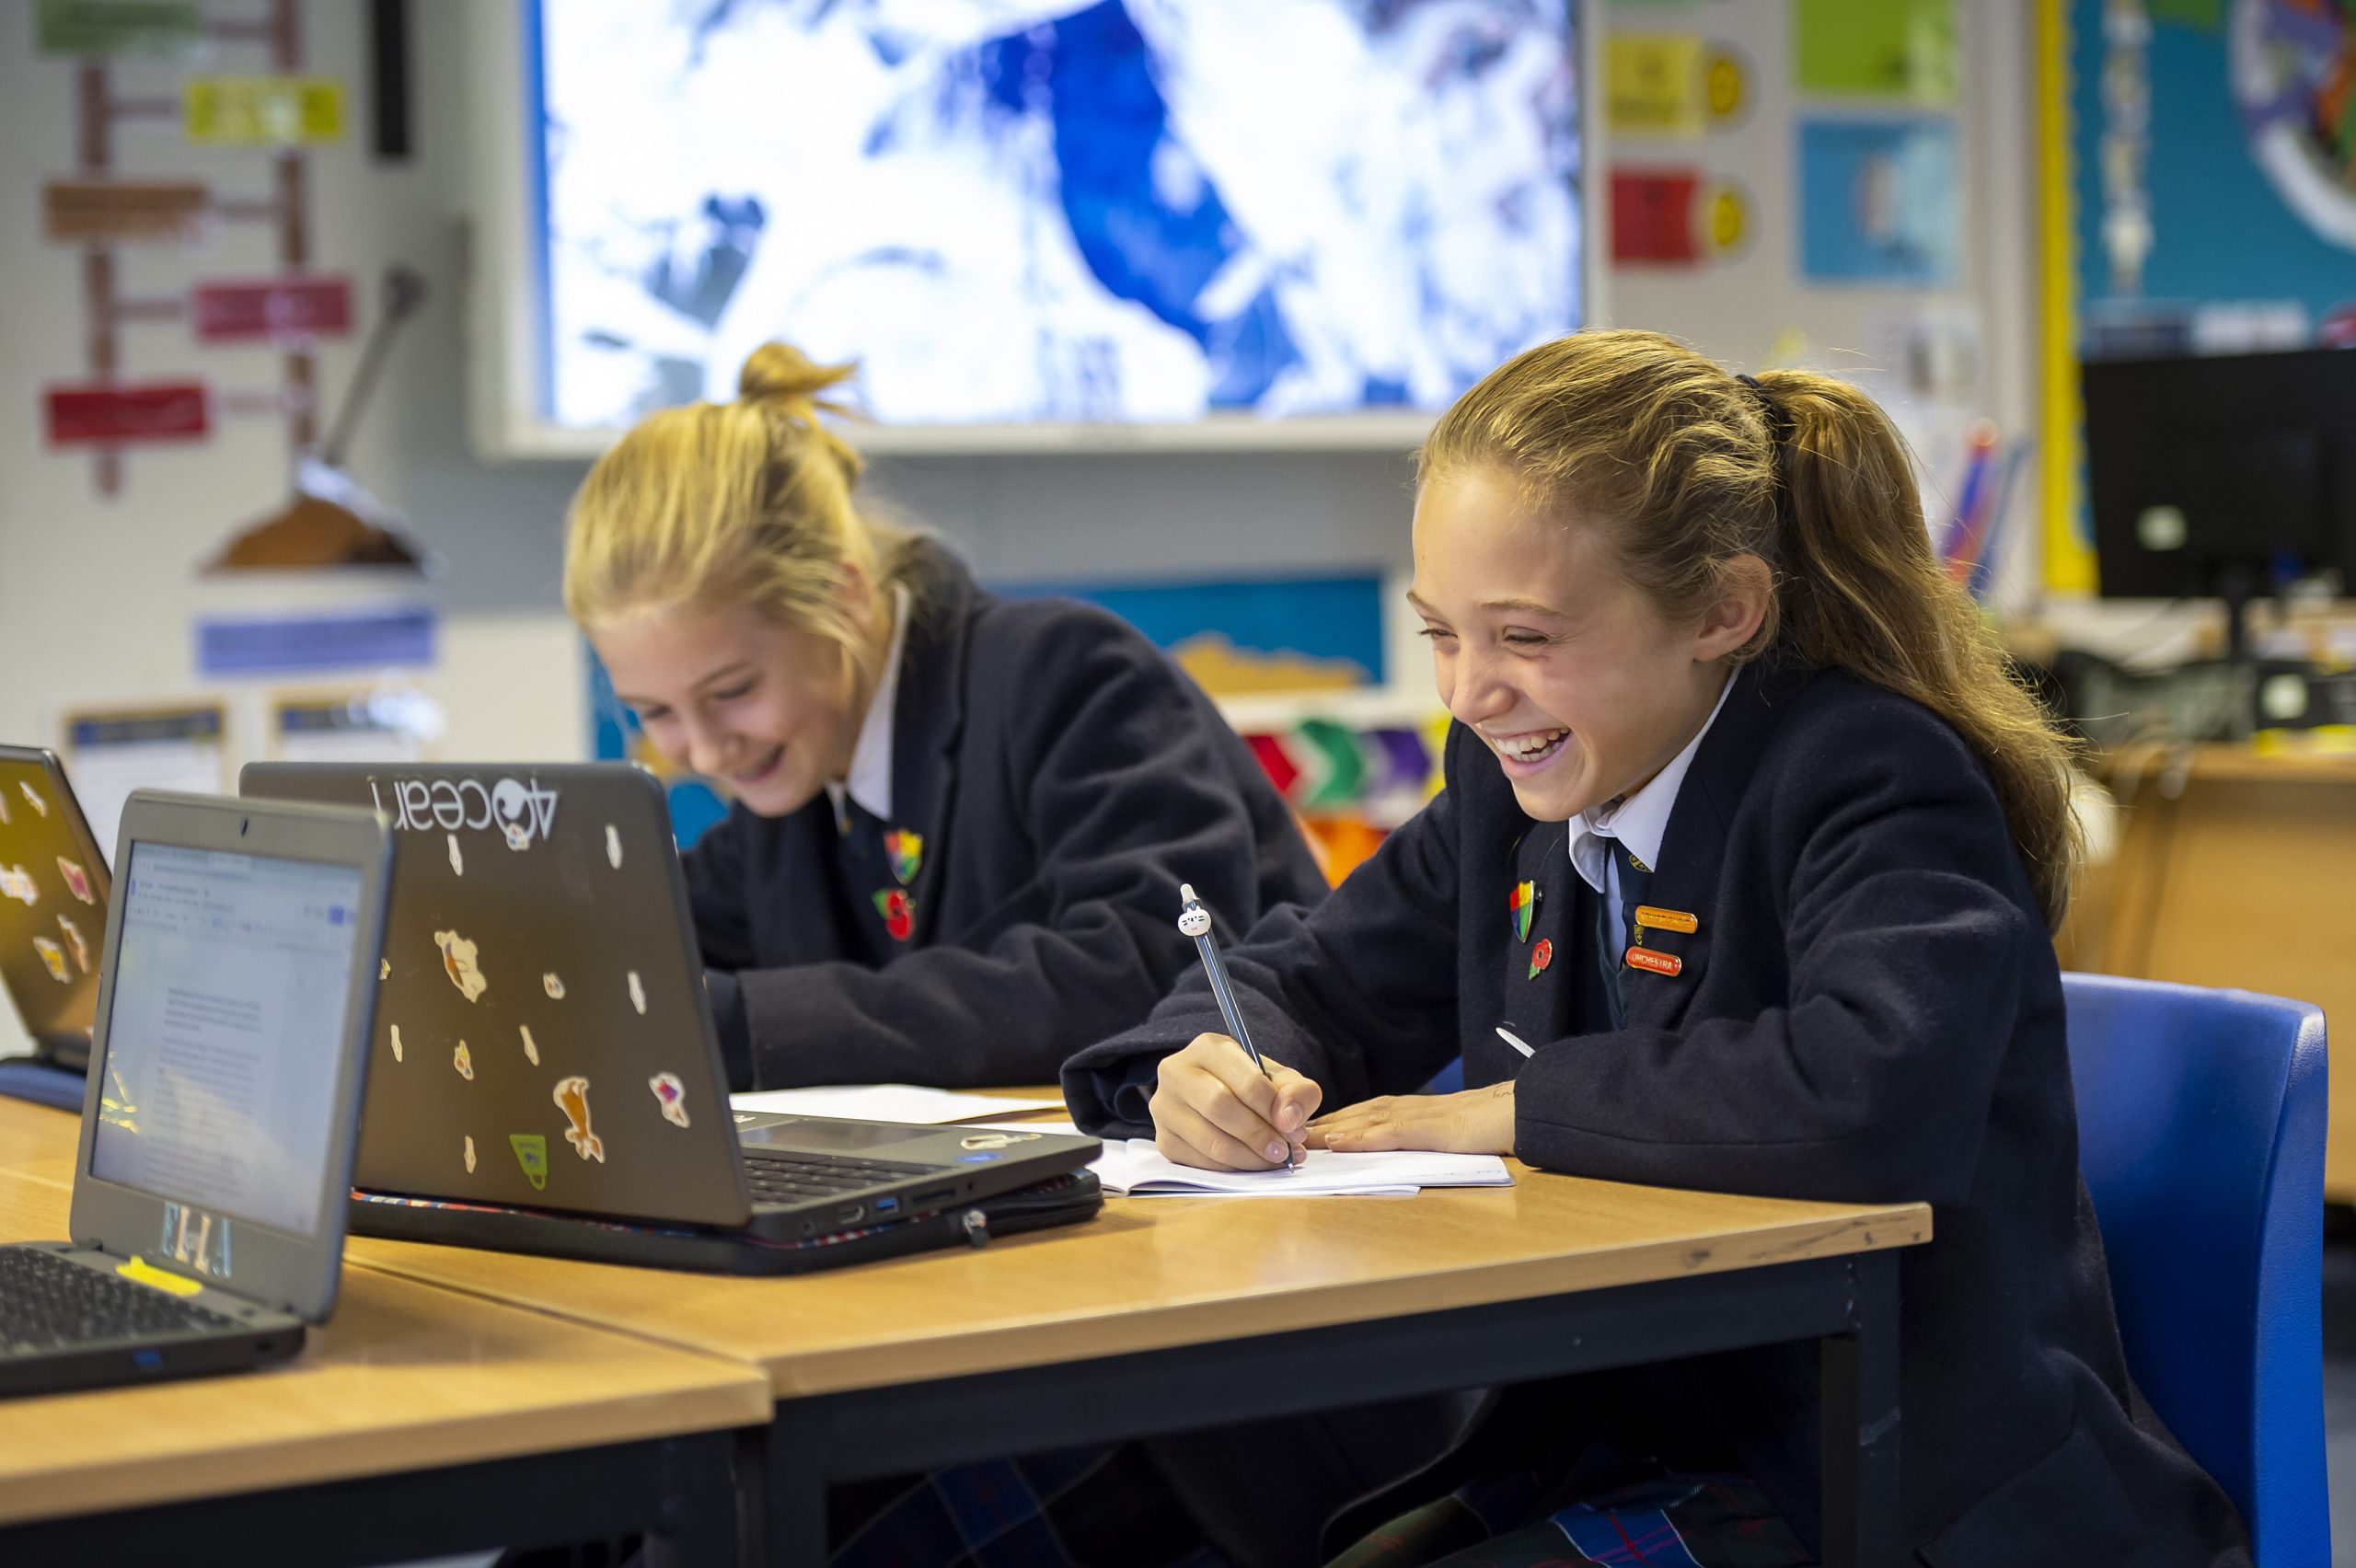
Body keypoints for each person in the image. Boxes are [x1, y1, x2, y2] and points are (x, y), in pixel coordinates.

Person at [1066, 329, 2252, 1566]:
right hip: (1639, 1430)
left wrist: (1513, 1110)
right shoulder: (1512, 791)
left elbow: (1869, 1090)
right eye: (1441, 634)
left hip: (1885, 1484)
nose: (1470, 695)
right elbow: (1312, 971)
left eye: (1524, 638)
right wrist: (1206, 1064)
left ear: (1722, 612)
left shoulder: (1870, 778)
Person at [564, 341, 1327, 1090]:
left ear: (844, 597)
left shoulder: (1069, 675)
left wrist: (752, 1029)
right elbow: (647, 933)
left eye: (732, 692)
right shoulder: (794, 781)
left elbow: (1147, 971)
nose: (702, 751)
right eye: (654, 712)